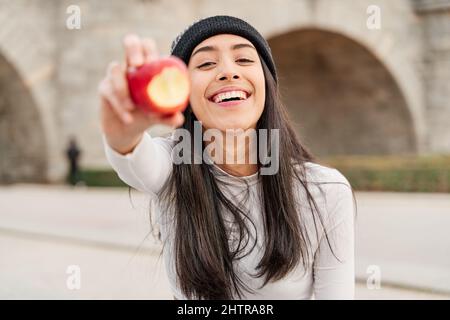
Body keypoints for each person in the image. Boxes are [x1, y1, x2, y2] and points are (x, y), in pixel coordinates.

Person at [99, 15, 356, 300]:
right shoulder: (173, 167)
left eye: (244, 60)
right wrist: (122, 132)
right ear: (184, 94)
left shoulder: (326, 190)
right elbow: (134, 159)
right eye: (206, 63)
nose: (228, 72)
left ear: (267, 83)